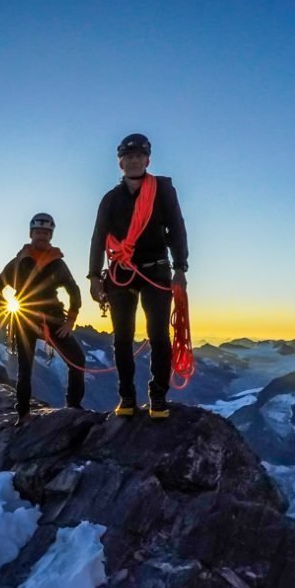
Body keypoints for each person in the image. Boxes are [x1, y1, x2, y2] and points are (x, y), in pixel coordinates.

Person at [88, 133, 188, 419]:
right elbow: (98, 237)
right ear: (121, 163)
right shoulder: (110, 199)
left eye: (138, 156)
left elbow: (176, 228)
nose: (133, 161)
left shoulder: (163, 191)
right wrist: (94, 276)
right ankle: (128, 398)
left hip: (156, 268)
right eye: (128, 157)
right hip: (121, 272)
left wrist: (180, 267)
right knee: (122, 338)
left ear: (147, 160)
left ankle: (158, 397)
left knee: (158, 335)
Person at [0, 213, 85, 425]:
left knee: (77, 360)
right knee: (25, 369)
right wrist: (7, 309)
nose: (42, 236)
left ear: (50, 235)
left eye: (45, 233)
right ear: (31, 234)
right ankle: (23, 413)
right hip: (26, 319)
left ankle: (73, 407)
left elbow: (74, 292)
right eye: (38, 232)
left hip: (51, 320)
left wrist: (70, 320)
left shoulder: (56, 263)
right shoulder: (19, 261)